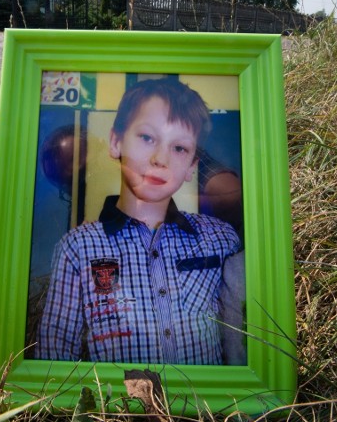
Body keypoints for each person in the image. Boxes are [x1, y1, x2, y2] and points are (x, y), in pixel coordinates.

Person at [35, 77, 241, 364]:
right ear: (116, 142)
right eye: (147, 138)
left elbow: (242, 345)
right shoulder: (77, 249)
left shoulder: (220, 239)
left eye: (179, 148)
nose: (160, 159)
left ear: (192, 166)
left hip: (210, 408)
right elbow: (55, 358)